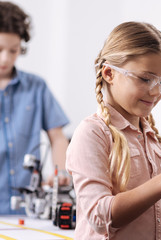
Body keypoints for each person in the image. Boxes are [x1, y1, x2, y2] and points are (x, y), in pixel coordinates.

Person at [65, 21, 161, 239]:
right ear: (109, 73)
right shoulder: (92, 133)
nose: (156, 92)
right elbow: (100, 217)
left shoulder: (152, 137)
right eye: (145, 79)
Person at [0, 1, 70, 215]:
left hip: (28, 208)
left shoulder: (36, 87)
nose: (6, 58)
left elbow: (57, 137)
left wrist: (60, 171)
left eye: (13, 51)